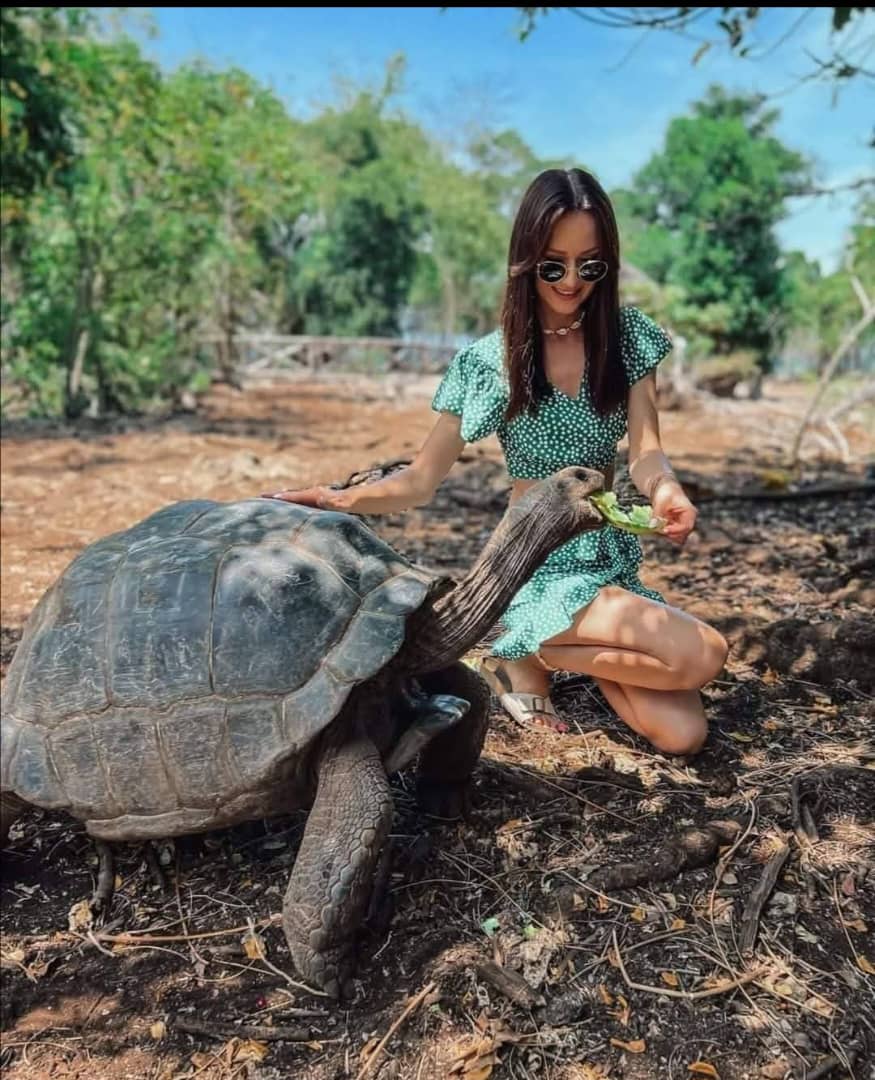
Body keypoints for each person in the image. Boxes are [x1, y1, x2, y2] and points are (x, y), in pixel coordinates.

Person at [263, 168, 728, 757]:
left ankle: (524, 653)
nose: (570, 282)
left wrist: (665, 490)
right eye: (552, 264)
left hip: (606, 555)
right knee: (705, 653)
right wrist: (340, 498)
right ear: (525, 259)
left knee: (682, 735)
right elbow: (421, 480)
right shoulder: (490, 362)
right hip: (532, 562)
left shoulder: (628, 339)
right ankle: (521, 636)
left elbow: (645, 451)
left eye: (591, 266)